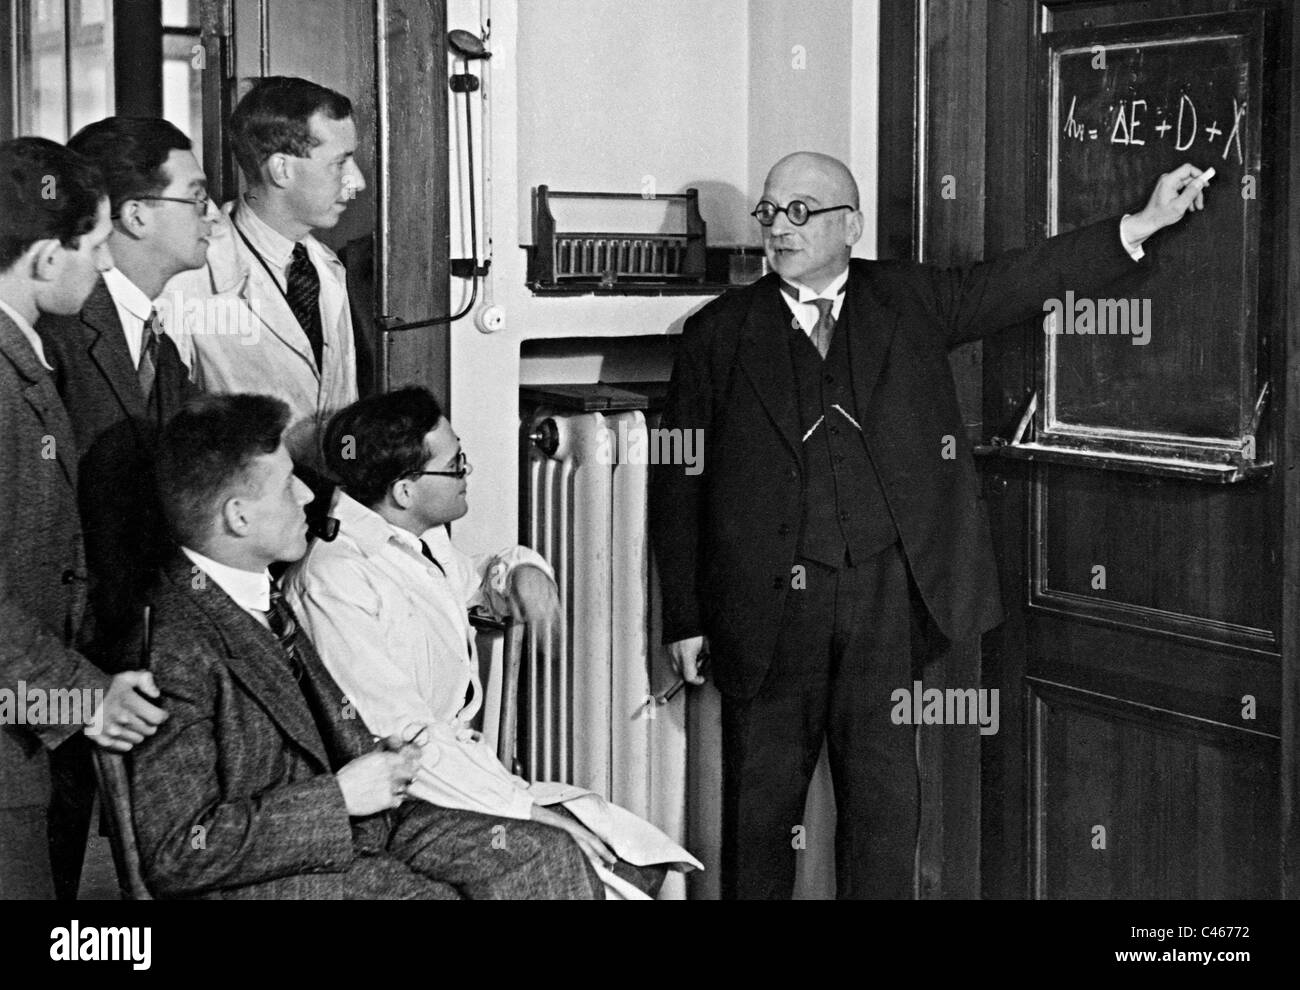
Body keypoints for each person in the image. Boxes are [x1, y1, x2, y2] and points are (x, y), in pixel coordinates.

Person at [649, 151, 1211, 899]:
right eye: (769, 212)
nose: (777, 230)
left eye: (799, 212)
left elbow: (1021, 282)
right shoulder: (716, 335)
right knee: (758, 818)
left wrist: (1141, 224)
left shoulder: (909, 299)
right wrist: (684, 618)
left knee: (885, 810)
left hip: (888, 599)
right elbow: (678, 485)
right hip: (766, 610)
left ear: (850, 224)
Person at [128, 393, 604, 899]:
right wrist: (338, 798)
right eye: (288, 486)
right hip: (275, 873)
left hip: (365, 826)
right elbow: (180, 851)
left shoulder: (257, 595)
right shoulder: (177, 644)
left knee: (543, 858)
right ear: (239, 517)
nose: (309, 497)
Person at [283, 387, 701, 898]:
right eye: (455, 464)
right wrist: (526, 810)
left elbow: (474, 578)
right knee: (568, 859)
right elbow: (403, 740)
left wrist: (522, 570)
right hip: (401, 805)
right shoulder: (334, 581)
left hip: (453, 782)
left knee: (648, 860)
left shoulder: (411, 540)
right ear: (405, 491)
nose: (467, 473)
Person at [36, 118, 212, 898]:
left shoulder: (162, 347)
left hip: (102, 677)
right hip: (41, 680)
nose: (213, 216)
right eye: (198, 196)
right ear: (135, 213)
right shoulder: (58, 335)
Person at [0, 137, 170, 899]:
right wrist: (80, 697)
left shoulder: (26, 362)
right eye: (94, 246)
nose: (104, 266)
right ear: (43, 258)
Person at [162, 75, 362, 480]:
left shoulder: (326, 268)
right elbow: (171, 431)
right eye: (341, 163)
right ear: (281, 169)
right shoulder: (189, 277)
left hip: (330, 515)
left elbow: (345, 416)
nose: (356, 180)